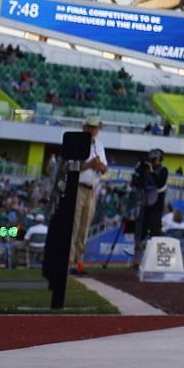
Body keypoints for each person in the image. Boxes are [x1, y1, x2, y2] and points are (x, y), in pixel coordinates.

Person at [69, 117, 108, 275]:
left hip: (92, 189)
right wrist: (90, 165)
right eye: (91, 127)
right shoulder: (76, 142)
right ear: (84, 127)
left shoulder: (99, 146)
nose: (93, 130)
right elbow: (72, 166)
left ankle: (79, 263)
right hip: (77, 187)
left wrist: (100, 166)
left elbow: (104, 169)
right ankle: (70, 263)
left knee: (84, 228)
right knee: (74, 226)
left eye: (96, 127)